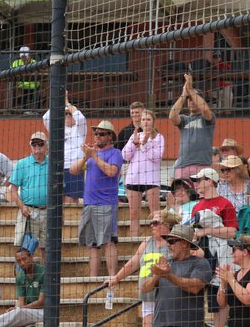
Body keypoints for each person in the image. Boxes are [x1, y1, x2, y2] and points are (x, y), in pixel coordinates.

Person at [110, 210, 177, 327]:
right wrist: (116, 278)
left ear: (167, 225)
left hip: (165, 296)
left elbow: (196, 253)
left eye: (156, 223)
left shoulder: (173, 243)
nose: (152, 226)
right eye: (152, 223)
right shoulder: (146, 242)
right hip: (147, 296)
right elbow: (133, 263)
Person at [142, 224, 212, 327]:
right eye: (167, 241)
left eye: (172, 241)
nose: (168, 245)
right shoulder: (164, 264)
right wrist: (158, 274)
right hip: (161, 323)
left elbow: (194, 287)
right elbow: (145, 288)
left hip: (187, 325)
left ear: (185, 243)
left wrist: (168, 275)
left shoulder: (200, 263)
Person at [190, 167, 237, 327]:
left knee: (219, 295)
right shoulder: (196, 206)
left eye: (200, 180)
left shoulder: (225, 203)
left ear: (210, 181)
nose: (197, 184)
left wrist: (207, 231)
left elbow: (232, 232)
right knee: (199, 296)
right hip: (201, 252)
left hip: (220, 253)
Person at [72, 120, 122, 281]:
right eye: (96, 133)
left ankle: (112, 277)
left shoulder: (115, 153)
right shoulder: (91, 155)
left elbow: (111, 172)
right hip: (89, 204)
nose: (97, 136)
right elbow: (73, 170)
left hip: (106, 203)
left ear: (110, 136)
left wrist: (93, 155)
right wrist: (86, 157)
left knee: (108, 241)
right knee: (92, 243)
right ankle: (93, 279)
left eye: (101, 134)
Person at [121, 110, 164, 239]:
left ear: (153, 122)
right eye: (143, 120)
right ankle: (133, 240)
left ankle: (157, 239)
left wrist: (145, 144)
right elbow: (125, 156)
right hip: (134, 178)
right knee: (133, 214)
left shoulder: (158, 137)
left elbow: (156, 158)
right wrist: (134, 143)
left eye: (148, 119)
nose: (145, 122)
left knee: (155, 213)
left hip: (151, 179)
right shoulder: (135, 136)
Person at [7, 130, 49, 256]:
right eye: (34, 143)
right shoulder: (22, 164)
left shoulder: (53, 164)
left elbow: (60, 191)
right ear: (30, 145)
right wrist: (22, 206)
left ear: (46, 145)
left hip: (48, 212)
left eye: (40, 144)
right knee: (25, 249)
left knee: (47, 249)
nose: (37, 147)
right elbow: (13, 189)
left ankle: (47, 275)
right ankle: (22, 275)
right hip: (29, 212)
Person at [169, 72, 216, 180]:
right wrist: (184, 94)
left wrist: (190, 89)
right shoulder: (184, 119)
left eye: (195, 98)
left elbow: (204, 108)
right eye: (189, 99)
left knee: (202, 195)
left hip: (203, 165)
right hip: (183, 165)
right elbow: (172, 116)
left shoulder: (208, 118)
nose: (192, 101)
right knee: (181, 196)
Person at [11, 45, 41, 110]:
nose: (24, 59)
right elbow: (11, 73)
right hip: (21, 85)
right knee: (22, 92)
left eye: (25, 57)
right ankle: (25, 110)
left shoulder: (34, 62)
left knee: (36, 91)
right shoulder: (15, 63)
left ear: (30, 56)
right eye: (22, 57)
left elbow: (37, 73)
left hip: (33, 85)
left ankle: (36, 110)